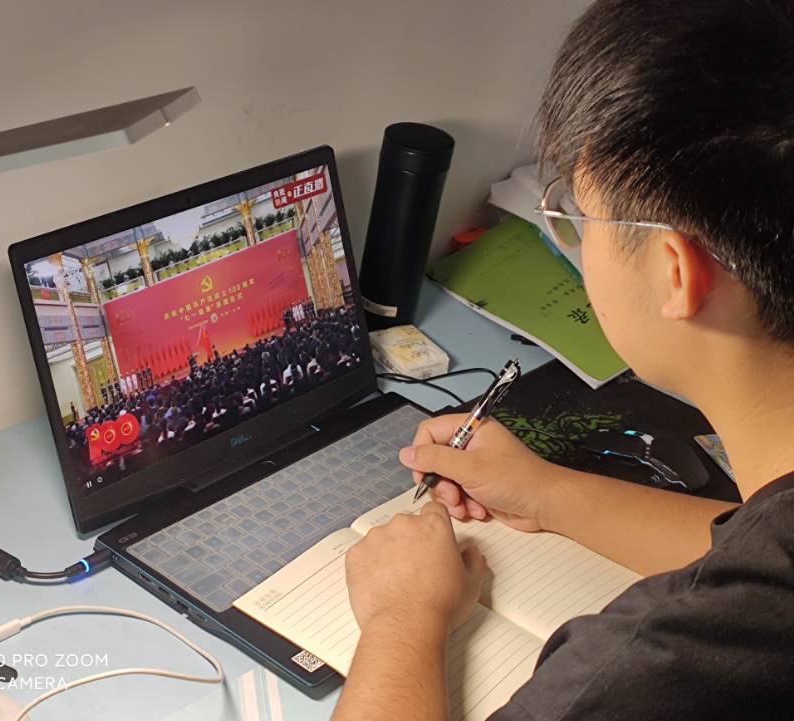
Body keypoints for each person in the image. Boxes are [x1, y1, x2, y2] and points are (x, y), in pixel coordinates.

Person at [332, 2, 794, 720]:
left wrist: (402, 617)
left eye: (578, 218)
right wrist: (544, 492)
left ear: (677, 273)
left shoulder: (648, 667)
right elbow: (759, 547)